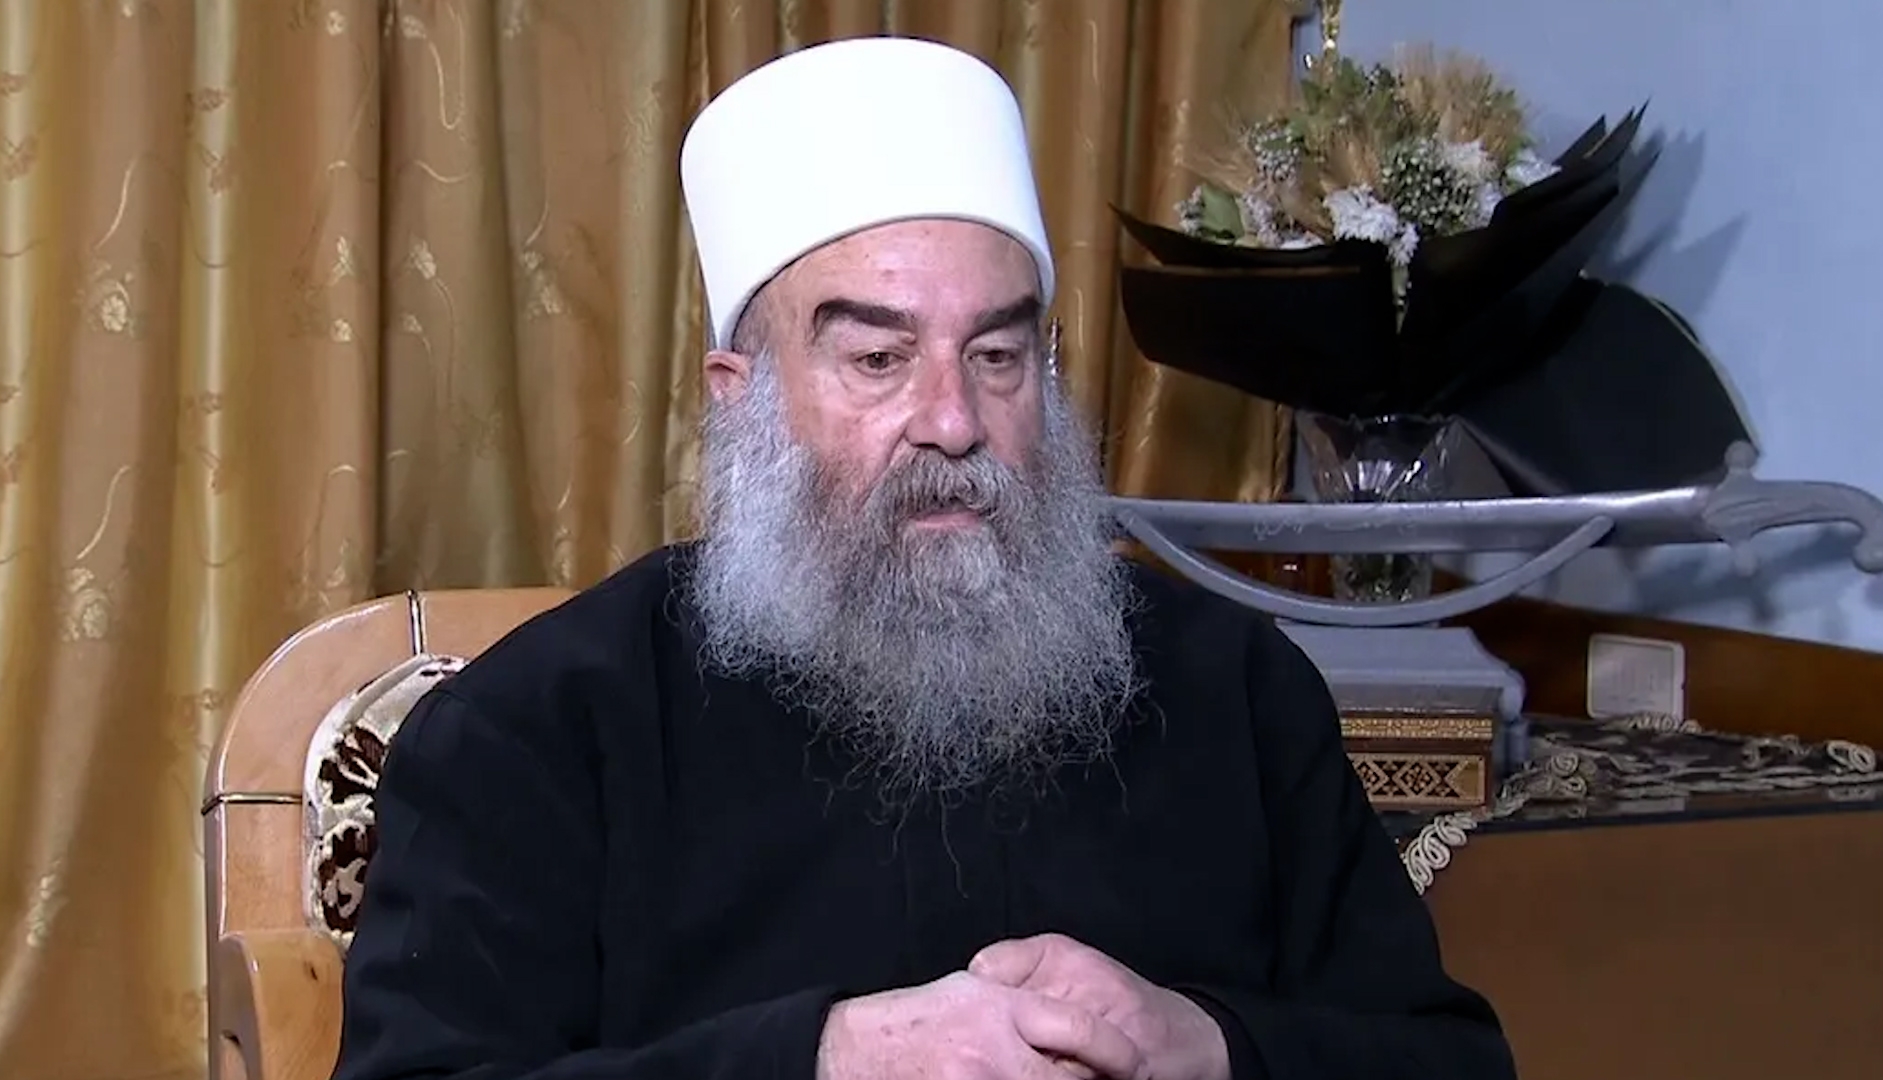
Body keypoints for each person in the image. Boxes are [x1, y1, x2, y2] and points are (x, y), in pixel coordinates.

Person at [330, 36, 1516, 1080]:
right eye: (878, 360)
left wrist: (1206, 1046)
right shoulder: (537, 730)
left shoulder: (1236, 691)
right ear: (743, 396)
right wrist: (820, 1058)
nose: (953, 421)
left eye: (997, 357)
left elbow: (1447, 1060)